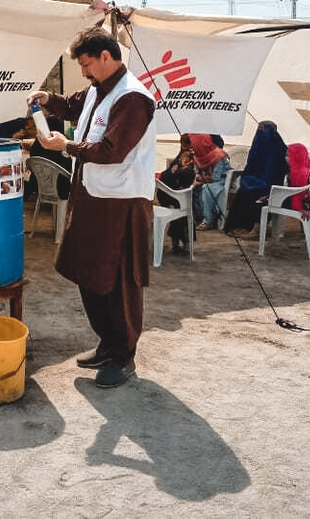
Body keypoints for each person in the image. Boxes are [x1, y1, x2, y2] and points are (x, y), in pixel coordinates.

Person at [29, 26, 156, 389]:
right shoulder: (101, 89)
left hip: (121, 202)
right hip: (92, 194)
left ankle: (123, 355)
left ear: (106, 56)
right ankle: (107, 342)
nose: (84, 71)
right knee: (88, 271)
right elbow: (73, 106)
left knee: (118, 279)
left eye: (87, 64)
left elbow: (113, 150)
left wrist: (64, 147)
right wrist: (48, 98)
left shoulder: (132, 98)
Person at [222, 120, 288, 237]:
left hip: (271, 187)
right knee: (244, 190)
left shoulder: (278, 149)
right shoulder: (265, 146)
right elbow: (251, 167)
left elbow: (274, 172)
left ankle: (254, 228)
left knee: (253, 193)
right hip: (259, 183)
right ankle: (244, 226)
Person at [158, 134, 197, 255]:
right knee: (179, 214)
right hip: (173, 195)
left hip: (181, 195)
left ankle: (183, 242)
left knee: (182, 216)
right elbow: (166, 175)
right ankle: (180, 242)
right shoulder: (181, 158)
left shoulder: (193, 158)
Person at [190, 133, 231, 231]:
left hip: (223, 181)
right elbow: (196, 173)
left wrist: (202, 179)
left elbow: (216, 178)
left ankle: (208, 220)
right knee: (192, 188)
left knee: (207, 189)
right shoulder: (198, 156)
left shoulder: (218, 155)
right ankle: (197, 219)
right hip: (208, 181)